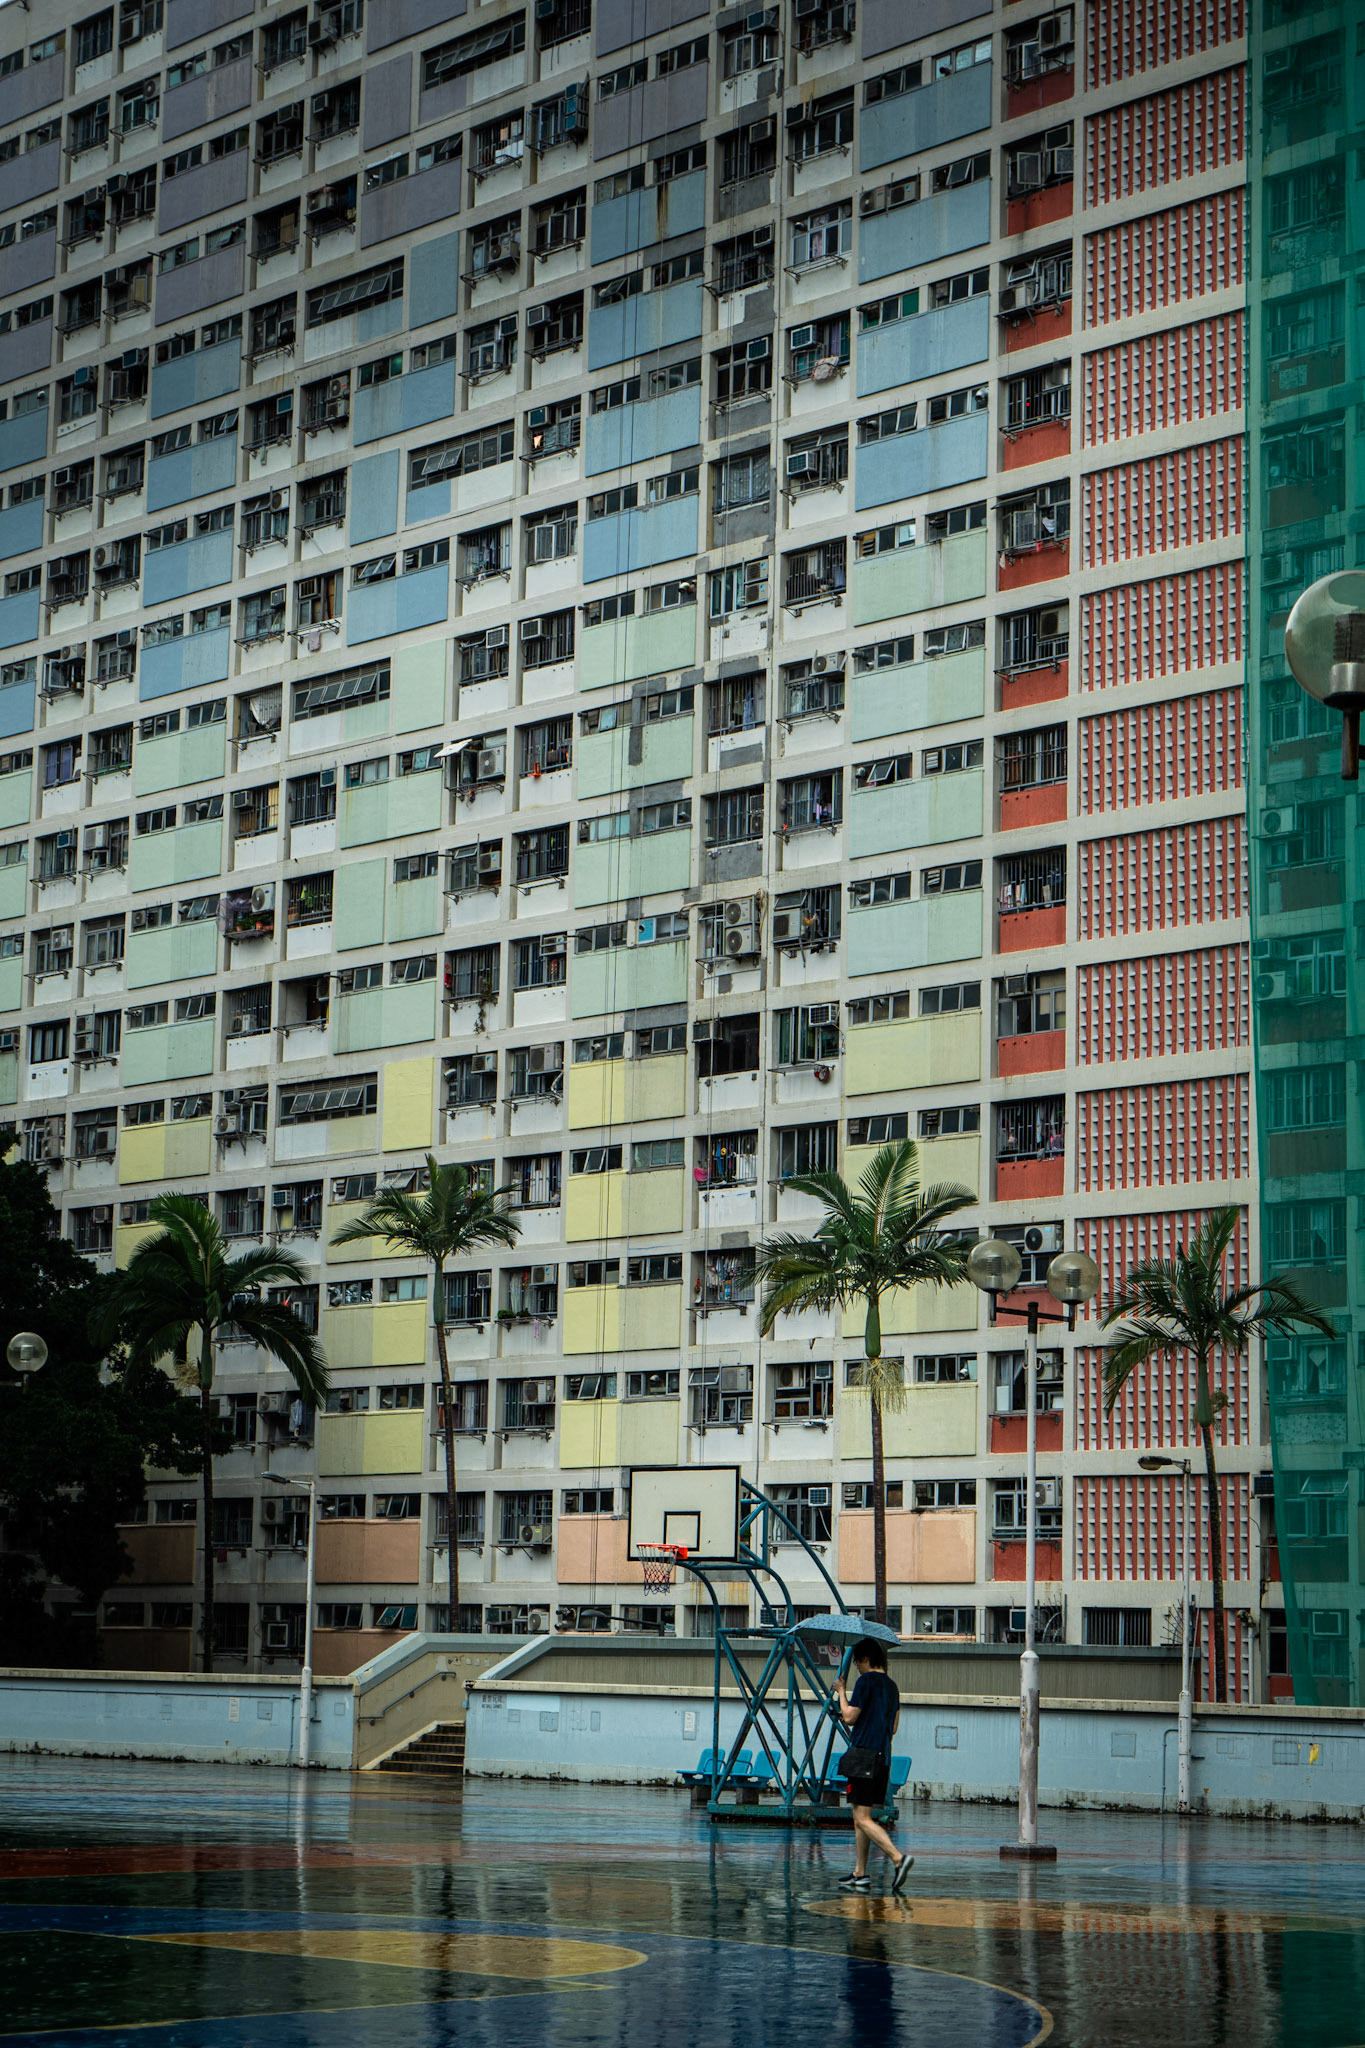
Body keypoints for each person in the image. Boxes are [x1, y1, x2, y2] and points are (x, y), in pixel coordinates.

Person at [833, 1638, 912, 1893]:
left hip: (863, 1756)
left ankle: (898, 1858)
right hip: (882, 1758)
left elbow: (849, 1717)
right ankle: (860, 1872)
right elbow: (895, 1727)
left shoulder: (865, 1681)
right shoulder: (892, 1686)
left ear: (866, 1659)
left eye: (857, 1660)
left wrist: (841, 1692)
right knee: (860, 1815)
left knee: (863, 1818)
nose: (856, 1665)